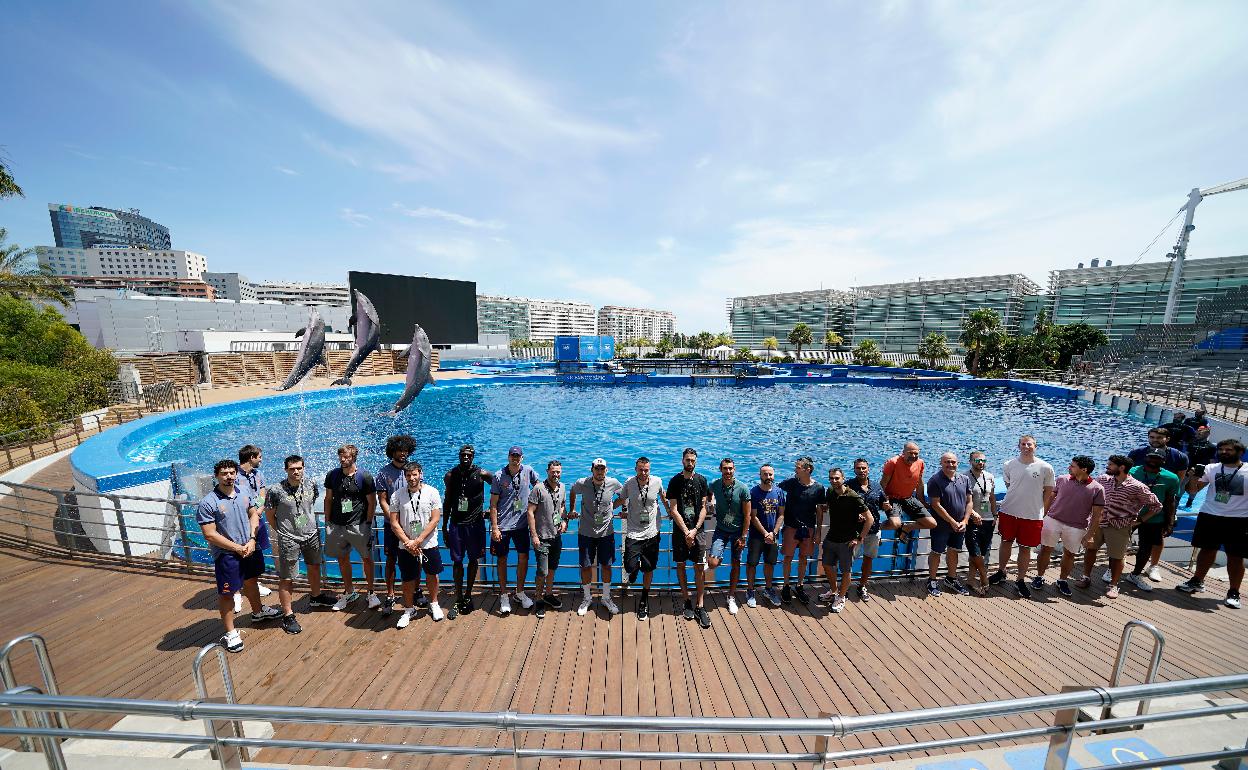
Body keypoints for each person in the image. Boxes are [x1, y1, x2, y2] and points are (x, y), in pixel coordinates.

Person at [197, 459, 281, 653]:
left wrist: (252, 539)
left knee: (252, 581)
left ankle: (258, 612)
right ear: (217, 476)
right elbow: (209, 534)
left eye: (232, 473)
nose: (229, 476)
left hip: (248, 548)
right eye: (224, 473)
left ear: (236, 474)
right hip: (228, 554)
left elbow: (253, 514)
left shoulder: (243, 493)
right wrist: (236, 547)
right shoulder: (209, 502)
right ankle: (231, 632)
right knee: (227, 593)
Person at [264, 454, 331, 634]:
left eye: (299, 468)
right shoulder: (276, 490)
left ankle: (316, 597)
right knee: (287, 577)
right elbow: (270, 515)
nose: (296, 471)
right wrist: (283, 531)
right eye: (292, 469)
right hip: (289, 538)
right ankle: (288, 614)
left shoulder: (310, 485)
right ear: (286, 470)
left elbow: (309, 506)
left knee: (314, 566)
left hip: (311, 534)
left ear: (303, 468)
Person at [1178, 438, 1248, 608]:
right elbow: (1193, 490)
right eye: (1221, 449)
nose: (1223, 452)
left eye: (1228, 450)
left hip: (1239, 520)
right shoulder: (1211, 468)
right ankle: (1197, 580)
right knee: (1206, 551)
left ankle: (1234, 592)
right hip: (1210, 516)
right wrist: (1193, 477)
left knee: (1235, 557)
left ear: (1240, 452)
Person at [1082, 455, 1160, 599]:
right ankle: (1086, 577)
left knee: (1117, 557)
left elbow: (1156, 506)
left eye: (1110, 464)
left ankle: (1113, 585)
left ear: (1122, 467)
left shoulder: (1137, 487)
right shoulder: (1103, 479)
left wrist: (1141, 520)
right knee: (1090, 549)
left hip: (1119, 527)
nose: (1107, 466)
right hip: (1099, 523)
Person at [990, 436, 1055, 599]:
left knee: (1025, 548)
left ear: (1035, 446)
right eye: (1023, 444)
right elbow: (1009, 486)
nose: (1026, 446)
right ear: (1018, 446)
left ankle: (1020, 580)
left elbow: (1048, 492)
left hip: (1032, 516)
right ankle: (1001, 571)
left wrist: (1042, 512)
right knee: (1005, 542)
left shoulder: (1046, 467)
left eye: (1029, 444)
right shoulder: (1009, 465)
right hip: (1008, 511)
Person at [1034, 457, 1104, 598]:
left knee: (1070, 554)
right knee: (1045, 549)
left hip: (1077, 527)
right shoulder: (1062, 479)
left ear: (1084, 469)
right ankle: (1039, 576)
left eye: (1072, 466)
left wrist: (1090, 535)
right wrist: (1042, 518)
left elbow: (1097, 515)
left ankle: (1062, 580)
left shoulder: (1098, 488)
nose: (1069, 467)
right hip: (1053, 520)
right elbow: (1050, 499)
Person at [323, 444, 380, 612]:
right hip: (337, 525)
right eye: (341, 456)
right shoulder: (332, 475)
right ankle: (349, 592)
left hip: (359, 525)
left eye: (346, 457)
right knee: (342, 559)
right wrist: (327, 521)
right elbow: (328, 499)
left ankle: (371, 592)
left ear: (354, 457)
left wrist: (368, 523)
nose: (343, 459)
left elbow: (372, 502)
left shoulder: (365, 477)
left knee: (367, 559)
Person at [391, 461, 445, 626]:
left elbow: (435, 518)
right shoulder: (397, 495)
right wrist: (408, 542)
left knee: (432, 574)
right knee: (407, 578)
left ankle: (434, 603)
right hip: (406, 545)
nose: (412, 478)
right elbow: (394, 523)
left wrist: (419, 540)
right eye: (408, 475)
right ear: (405, 476)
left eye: (415, 474)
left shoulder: (432, 492)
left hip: (428, 542)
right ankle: (409, 609)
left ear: (420, 474)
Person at [489, 446, 542, 615]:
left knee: (523, 557)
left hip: (521, 525)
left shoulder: (528, 471)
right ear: (508, 457)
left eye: (518, 456)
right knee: (502, 559)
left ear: (522, 458)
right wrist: (495, 527)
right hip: (503, 526)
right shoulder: (499, 476)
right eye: (512, 455)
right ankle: (504, 594)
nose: (515, 458)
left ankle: (519, 592)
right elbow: (493, 505)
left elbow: (539, 487)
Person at [442, 445, 493, 619]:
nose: (465, 457)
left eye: (468, 455)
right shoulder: (451, 475)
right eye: (463, 454)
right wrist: (444, 526)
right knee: (457, 562)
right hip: (456, 524)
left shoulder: (483, 474)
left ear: (473, 457)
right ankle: (458, 598)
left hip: (476, 524)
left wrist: (491, 510)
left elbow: (500, 490)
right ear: (459, 456)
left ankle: (468, 595)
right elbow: (447, 501)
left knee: (473, 560)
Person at [568, 458, 623, 616]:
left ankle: (606, 597)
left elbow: (624, 494)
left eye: (602, 469)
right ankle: (587, 598)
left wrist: (616, 506)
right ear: (591, 470)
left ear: (606, 470)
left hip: (607, 532)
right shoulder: (582, 483)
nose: (600, 472)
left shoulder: (613, 482)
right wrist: (572, 508)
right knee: (586, 566)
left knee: (607, 565)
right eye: (597, 469)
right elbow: (572, 491)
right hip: (586, 532)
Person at [621, 457, 670, 621]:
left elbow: (663, 497)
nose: (643, 473)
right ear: (636, 469)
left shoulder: (657, 481)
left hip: (652, 532)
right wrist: (609, 510)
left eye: (646, 470)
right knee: (629, 565)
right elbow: (622, 499)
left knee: (648, 569)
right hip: (634, 532)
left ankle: (644, 598)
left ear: (650, 469)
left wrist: (670, 512)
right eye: (640, 470)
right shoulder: (629, 483)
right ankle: (634, 569)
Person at [1125, 450, 1181, 591]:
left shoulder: (1172, 478)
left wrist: (1169, 522)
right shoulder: (1130, 471)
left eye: (1157, 458)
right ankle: (1112, 569)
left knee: (1146, 548)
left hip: (1154, 518)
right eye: (1151, 457)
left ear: (1164, 460)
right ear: (1145, 457)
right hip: (1128, 515)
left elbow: (1170, 501)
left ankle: (1135, 574)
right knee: (1119, 543)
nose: (1153, 460)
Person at [667, 448, 712, 620]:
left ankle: (700, 605)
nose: (690, 463)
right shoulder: (674, 481)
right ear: (682, 461)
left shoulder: (702, 480)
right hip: (680, 532)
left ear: (696, 461)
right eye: (687, 460)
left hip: (697, 531)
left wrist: (694, 530)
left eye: (693, 460)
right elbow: (673, 509)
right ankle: (686, 600)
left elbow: (703, 507)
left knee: (699, 567)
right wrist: (686, 531)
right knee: (681, 565)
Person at [375, 434, 417, 616]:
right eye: (399, 450)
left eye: (405, 450)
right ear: (392, 451)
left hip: (411, 524)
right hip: (392, 525)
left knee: (414, 557)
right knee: (391, 559)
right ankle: (390, 594)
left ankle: (416, 590)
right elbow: (382, 499)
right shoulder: (384, 473)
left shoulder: (412, 470)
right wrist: (393, 520)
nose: (402, 453)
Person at [819, 468, 871, 613]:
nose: (834, 481)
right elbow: (828, 506)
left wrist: (859, 539)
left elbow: (869, 519)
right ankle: (834, 591)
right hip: (831, 537)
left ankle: (842, 597)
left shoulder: (853, 496)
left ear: (843, 478)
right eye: (831, 478)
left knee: (846, 571)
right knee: (827, 565)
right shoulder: (829, 492)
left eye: (836, 478)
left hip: (846, 541)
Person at [926, 452, 975, 597]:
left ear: (958, 464)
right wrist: (952, 521)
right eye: (947, 462)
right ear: (941, 463)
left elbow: (969, 501)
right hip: (941, 525)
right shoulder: (934, 480)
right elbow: (935, 504)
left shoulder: (964, 479)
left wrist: (965, 521)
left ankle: (951, 579)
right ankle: (932, 580)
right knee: (936, 552)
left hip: (960, 525)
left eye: (953, 462)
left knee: (954, 551)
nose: (950, 464)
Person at [778, 457, 825, 605]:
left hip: (809, 528)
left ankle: (799, 585)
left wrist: (817, 531)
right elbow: (775, 491)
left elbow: (820, 511)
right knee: (788, 557)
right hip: (791, 526)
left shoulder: (818, 488)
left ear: (808, 469)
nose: (795, 470)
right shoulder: (791, 483)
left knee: (804, 558)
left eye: (798, 468)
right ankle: (786, 585)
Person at [708, 458, 751, 615]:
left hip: (738, 532)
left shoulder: (743, 488)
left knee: (735, 563)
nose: (728, 471)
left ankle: (731, 596)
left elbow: (747, 516)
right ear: (720, 469)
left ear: (734, 469)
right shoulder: (715, 484)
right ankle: (716, 559)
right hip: (721, 529)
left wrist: (744, 536)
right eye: (725, 468)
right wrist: (710, 501)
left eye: (730, 468)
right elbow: (708, 491)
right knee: (712, 563)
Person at [234, 445, 274, 612]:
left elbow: (262, 493)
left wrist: (258, 510)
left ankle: (254, 583)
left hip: (257, 520)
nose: (261, 459)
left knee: (256, 552)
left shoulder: (258, 474)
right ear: (251, 457)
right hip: (241, 524)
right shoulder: (234, 476)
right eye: (259, 457)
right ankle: (235, 591)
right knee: (238, 555)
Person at [527, 460, 568, 619]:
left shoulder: (563, 487)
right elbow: (530, 512)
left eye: (558, 472)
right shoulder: (538, 489)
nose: (556, 474)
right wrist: (534, 535)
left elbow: (562, 505)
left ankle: (549, 594)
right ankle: (538, 599)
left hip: (556, 536)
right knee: (542, 571)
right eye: (553, 472)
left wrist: (563, 521)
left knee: (552, 568)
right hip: (542, 537)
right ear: (547, 472)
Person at [846, 458, 891, 603]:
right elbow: (842, 505)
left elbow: (884, 503)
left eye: (863, 468)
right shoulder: (848, 486)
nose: (861, 471)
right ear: (854, 470)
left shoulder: (877, 486)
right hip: (854, 531)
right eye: (858, 468)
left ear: (868, 469)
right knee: (848, 561)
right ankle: (845, 588)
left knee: (868, 559)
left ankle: (862, 586)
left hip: (873, 529)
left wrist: (887, 506)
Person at [881, 442, 938, 544]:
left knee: (932, 523)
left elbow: (919, 484)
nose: (913, 456)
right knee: (895, 524)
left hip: (908, 498)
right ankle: (873, 527)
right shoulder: (893, 463)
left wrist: (922, 501)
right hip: (893, 498)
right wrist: (885, 501)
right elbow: (883, 484)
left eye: (916, 454)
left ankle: (907, 528)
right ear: (903, 453)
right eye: (910, 453)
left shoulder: (920, 463)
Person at [747, 464, 785, 608]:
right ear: (760, 476)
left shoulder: (779, 492)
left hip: (773, 536)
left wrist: (774, 533)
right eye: (765, 474)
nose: (768, 477)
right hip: (757, 536)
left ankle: (768, 589)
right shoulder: (754, 492)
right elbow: (753, 516)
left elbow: (781, 514)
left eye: (770, 474)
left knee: (770, 563)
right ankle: (750, 590)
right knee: (752, 564)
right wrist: (765, 533)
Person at [1183, 425, 1216, 510]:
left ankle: (1189, 501)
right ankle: (1177, 500)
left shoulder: (1211, 446)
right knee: (1182, 484)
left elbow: (1211, 460)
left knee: (1194, 487)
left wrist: (1212, 472)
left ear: (1207, 433)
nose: (1198, 432)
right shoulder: (1192, 443)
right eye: (1198, 431)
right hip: (1189, 467)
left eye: (1201, 431)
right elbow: (1186, 455)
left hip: (1201, 469)